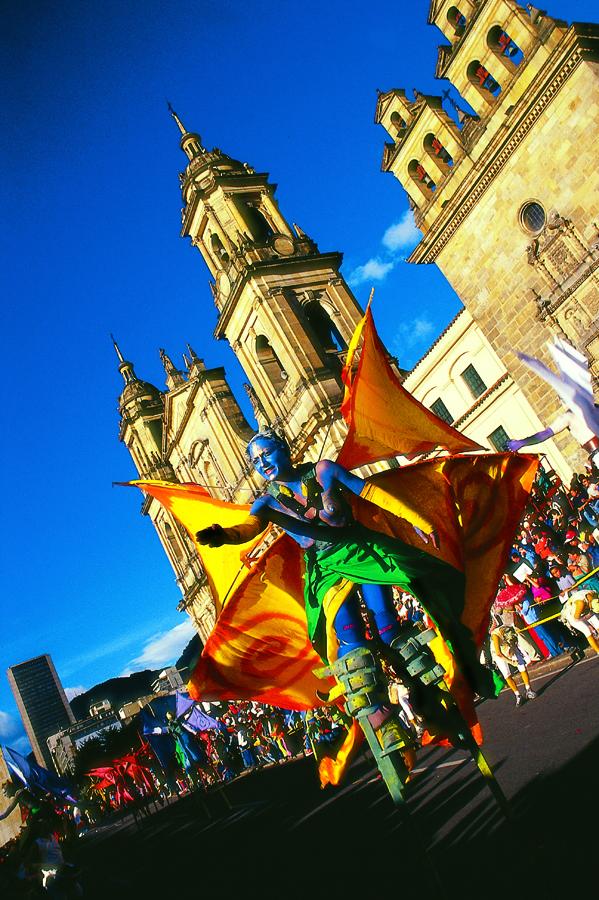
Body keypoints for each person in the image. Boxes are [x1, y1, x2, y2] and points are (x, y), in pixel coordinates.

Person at [195, 428, 496, 755]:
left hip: (363, 552)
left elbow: (373, 494)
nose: (261, 462)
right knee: (352, 640)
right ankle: (383, 720)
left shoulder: (323, 470)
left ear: (284, 448)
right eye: (254, 460)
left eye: (266, 452)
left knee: (389, 626)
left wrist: (420, 521)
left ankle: (433, 699)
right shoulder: (266, 502)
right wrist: (223, 534)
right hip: (326, 569)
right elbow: (248, 529)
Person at [489, 612, 538, 707]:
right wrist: (511, 662)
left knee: (522, 666)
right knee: (507, 674)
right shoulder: (495, 635)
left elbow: (513, 642)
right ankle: (518, 695)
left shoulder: (508, 630)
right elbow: (499, 653)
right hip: (498, 653)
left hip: (510, 648)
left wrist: (515, 652)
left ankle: (528, 689)